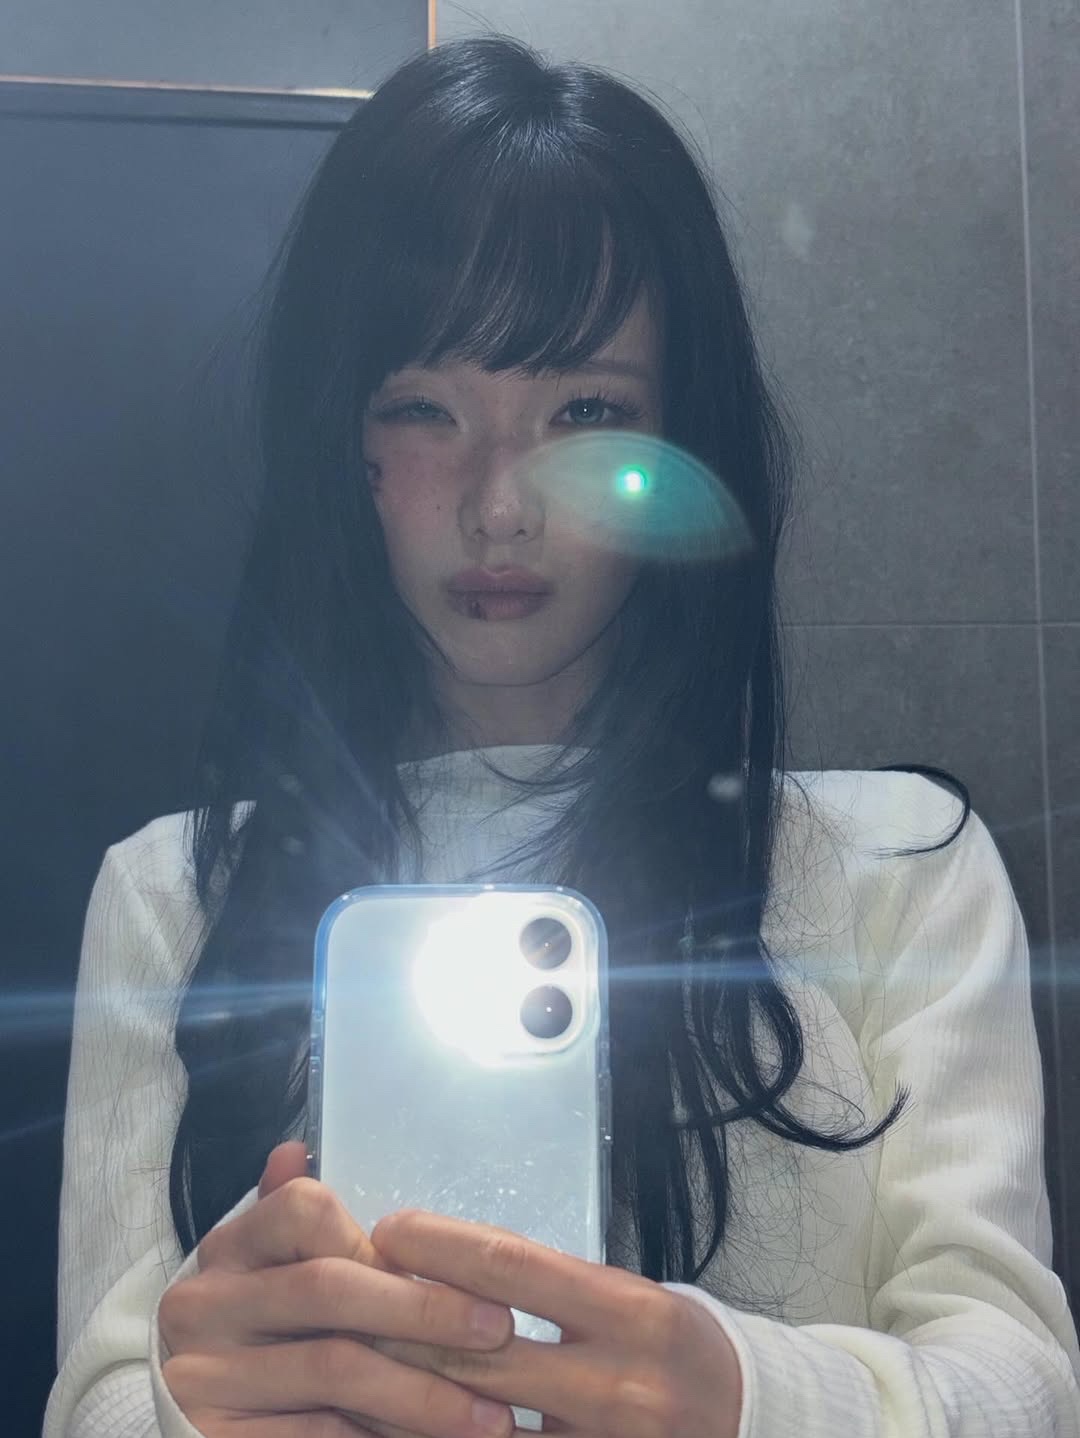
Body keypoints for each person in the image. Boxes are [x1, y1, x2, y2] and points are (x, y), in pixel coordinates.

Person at [45, 33, 1080, 1438]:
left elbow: (1023, 1379)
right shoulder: (172, 893)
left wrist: (740, 1394)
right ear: (345, 447)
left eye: (585, 411)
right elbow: (97, 1399)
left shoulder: (901, 868)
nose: (502, 506)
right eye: (426, 408)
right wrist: (190, 1411)